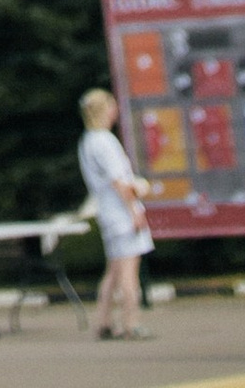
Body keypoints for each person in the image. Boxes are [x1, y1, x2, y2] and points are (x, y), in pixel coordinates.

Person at [77, 90, 152, 339]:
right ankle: (131, 323)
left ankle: (103, 321)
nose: (115, 110)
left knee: (114, 270)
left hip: (107, 212)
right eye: (111, 105)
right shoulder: (105, 141)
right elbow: (119, 181)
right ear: (103, 110)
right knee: (129, 271)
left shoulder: (87, 141)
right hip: (121, 213)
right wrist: (134, 210)